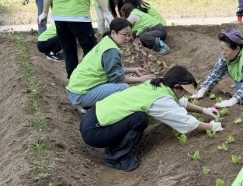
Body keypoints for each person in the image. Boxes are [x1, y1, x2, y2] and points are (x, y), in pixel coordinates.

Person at [79, 66, 222, 171]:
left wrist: (204, 110)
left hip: (92, 118)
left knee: (136, 117)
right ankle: (115, 158)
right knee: (139, 118)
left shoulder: (156, 85)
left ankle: (114, 147)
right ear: (177, 87)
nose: (185, 95)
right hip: (95, 132)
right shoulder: (162, 100)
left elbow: (180, 103)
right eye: (185, 91)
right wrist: (211, 127)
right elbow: (186, 122)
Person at [66, 18, 153, 109]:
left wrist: (133, 70)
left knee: (114, 83)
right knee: (123, 88)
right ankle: (95, 110)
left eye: (129, 35)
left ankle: (90, 107)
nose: (127, 38)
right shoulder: (111, 50)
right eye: (124, 35)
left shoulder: (106, 42)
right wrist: (140, 79)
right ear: (113, 33)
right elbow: (118, 79)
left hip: (77, 89)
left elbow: (112, 70)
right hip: (80, 94)